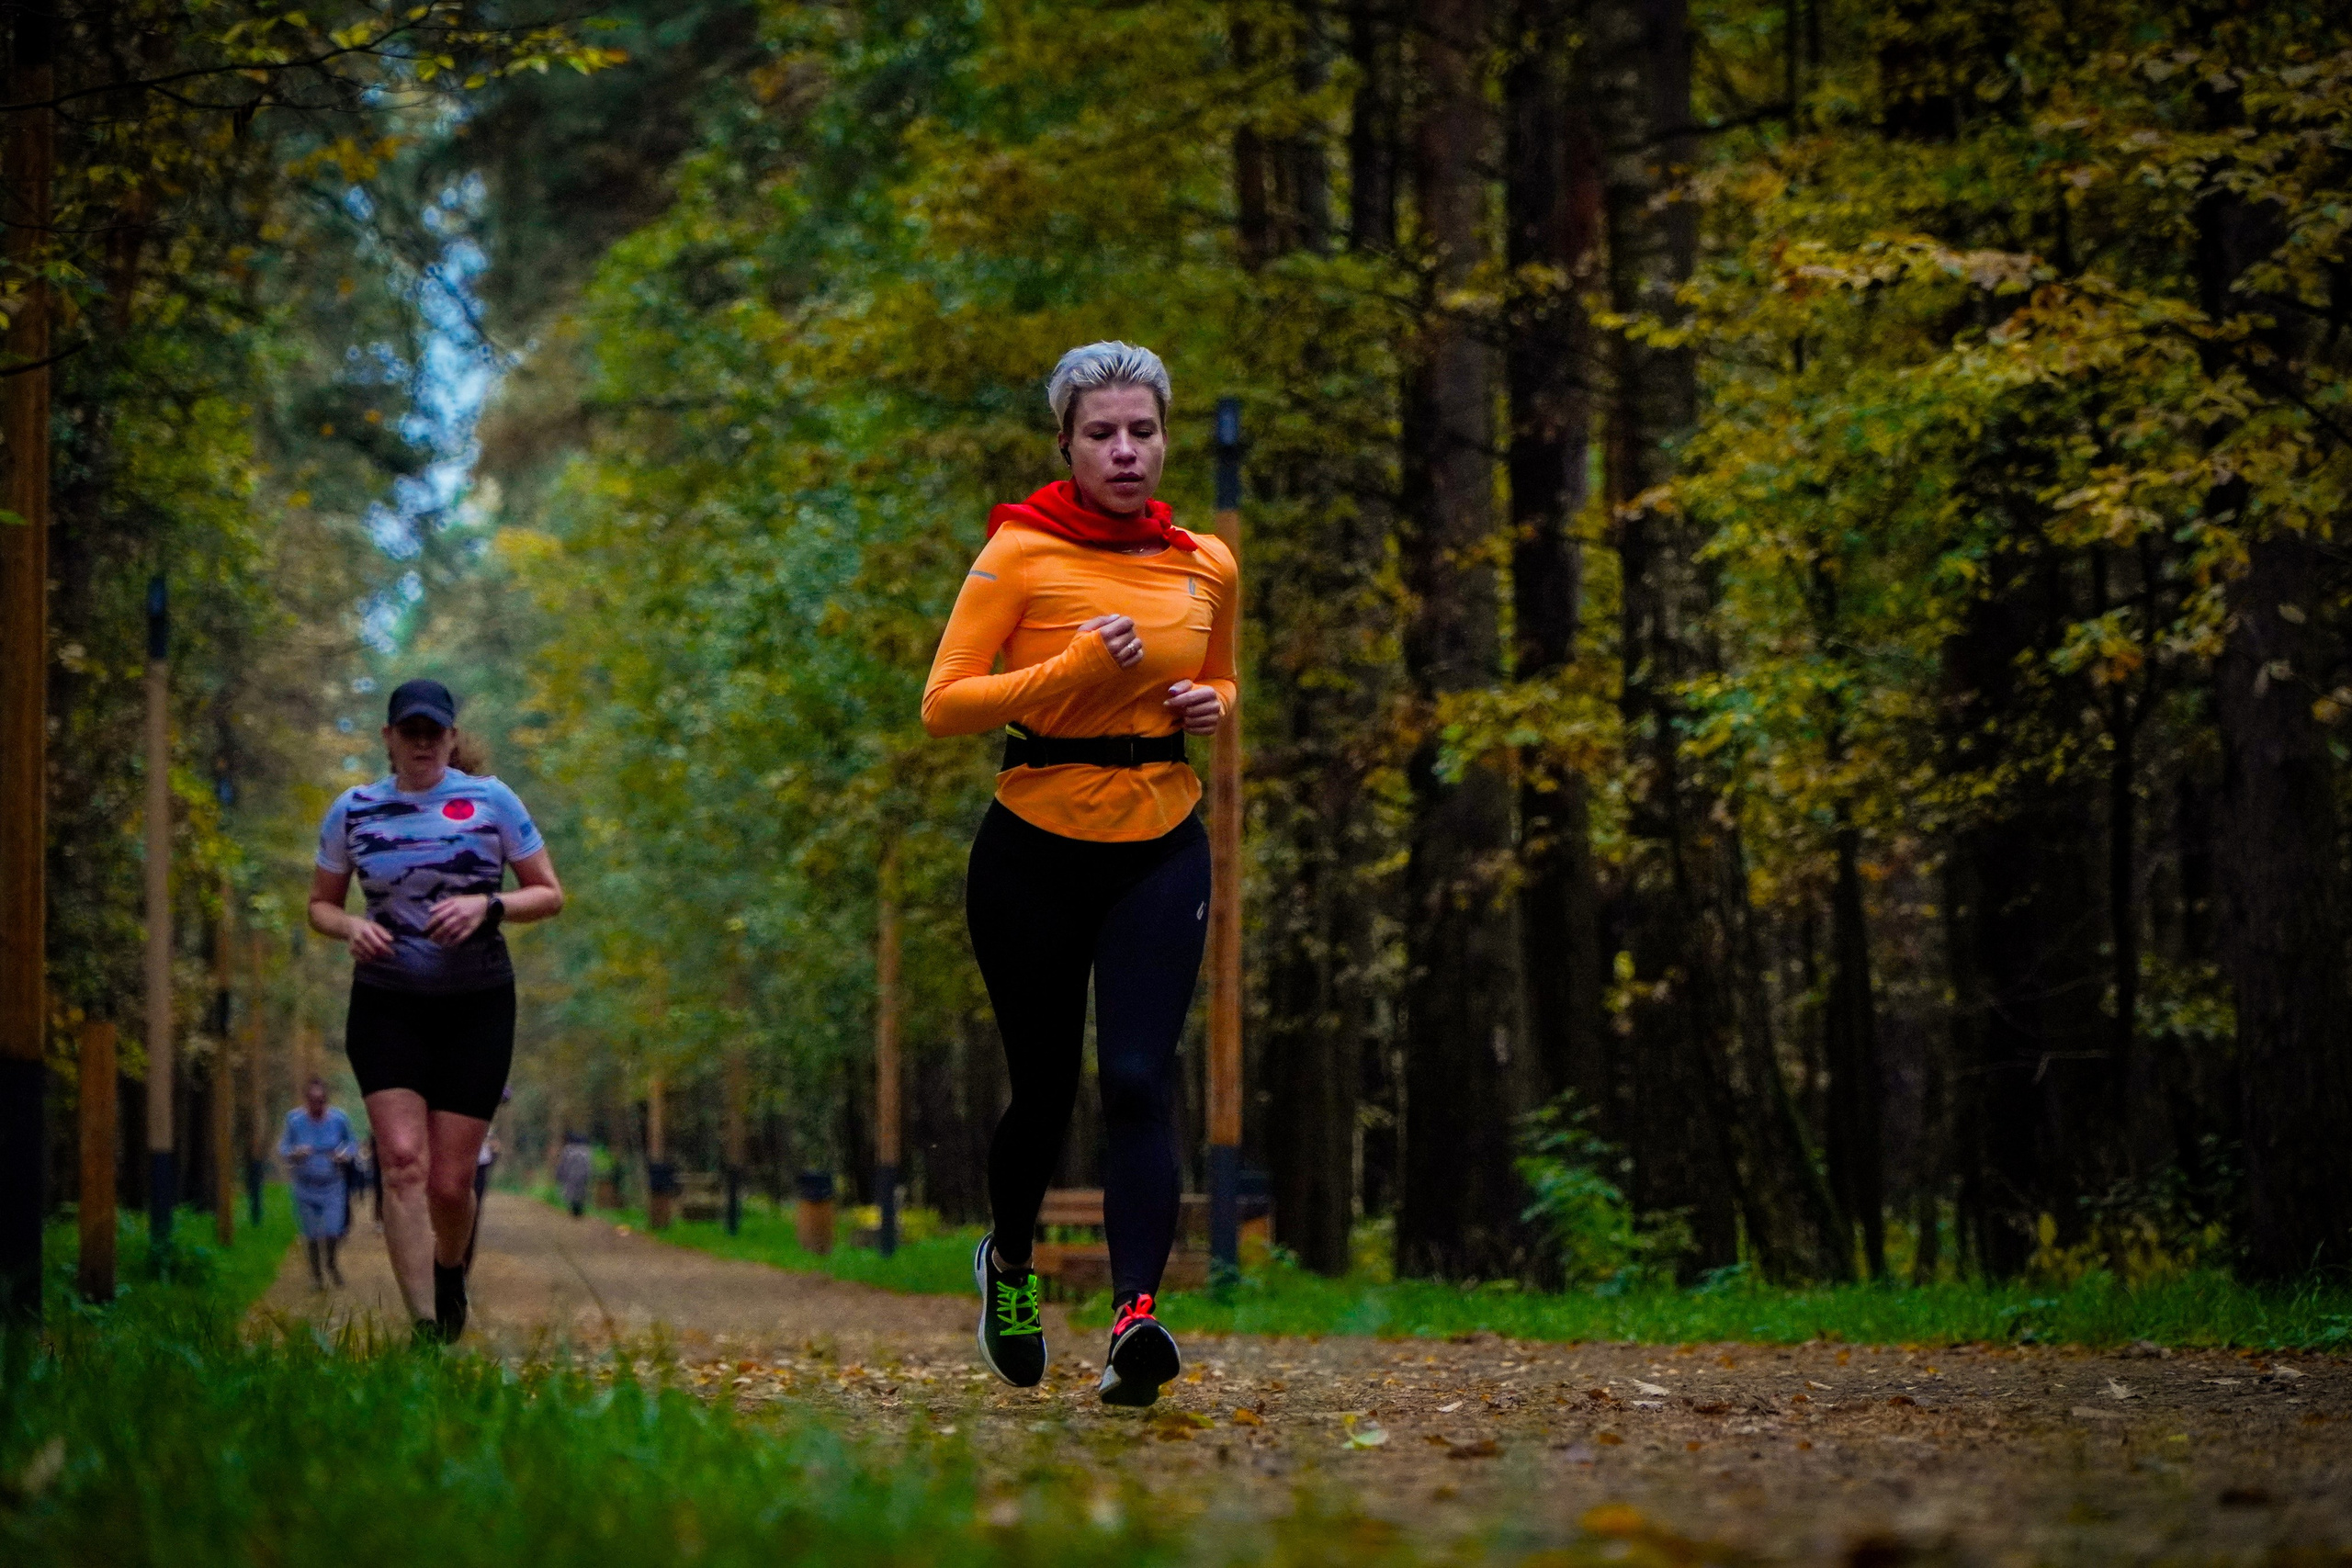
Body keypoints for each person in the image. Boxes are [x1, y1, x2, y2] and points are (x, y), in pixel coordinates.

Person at [922, 342, 1234, 1408]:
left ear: (1164, 436)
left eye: (1142, 429)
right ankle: (1007, 1266)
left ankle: (1134, 1321)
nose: (1125, 449)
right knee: (1046, 1088)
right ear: (1065, 443)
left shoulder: (1206, 562)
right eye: (1101, 432)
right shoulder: (1017, 553)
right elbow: (946, 702)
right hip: (1033, 848)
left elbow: (1219, 670)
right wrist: (1072, 671)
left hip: (1162, 838)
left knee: (1140, 1079)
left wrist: (1215, 706)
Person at [308, 677, 565, 1345]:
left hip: (476, 1003)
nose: (422, 742)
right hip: (387, 1002)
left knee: (450, 1183)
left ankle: (450, 1272)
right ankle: (424, 1329)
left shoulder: (493, 800)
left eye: (434, 731)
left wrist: (490, 905)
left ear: (451, 737)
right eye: (409, 731)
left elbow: (550, 893)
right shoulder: (354, 810)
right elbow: (321, 903)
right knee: (400, 1160)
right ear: (390, 738)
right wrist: (348, 927)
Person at [279, 1077, 356, 1288]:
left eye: (321, 1100)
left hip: (333, 1184)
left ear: (326, 1100)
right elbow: (284, 1148)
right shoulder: (294, 1120)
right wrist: (295, 1153)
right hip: (304, 1185)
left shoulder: (339, 1119)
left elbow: (352, 1144)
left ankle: (331, 1262)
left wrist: (344, 1154)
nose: (318, 1105)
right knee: (311, 1234)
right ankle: (316, 1276)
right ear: (306, 1100)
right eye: (313, 1100)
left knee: (333, 1229)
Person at [556, 1133, 594, 1218]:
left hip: (570, 1175)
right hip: (582, 1175)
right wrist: (589, 1175)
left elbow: (563, 1164)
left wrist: (559, 1175)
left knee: (571, 1193)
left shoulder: (568, 1150)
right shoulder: (587, 1152)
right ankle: (579, 1210)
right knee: (581, 1192)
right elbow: (589, 1166)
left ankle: (574, 1210)